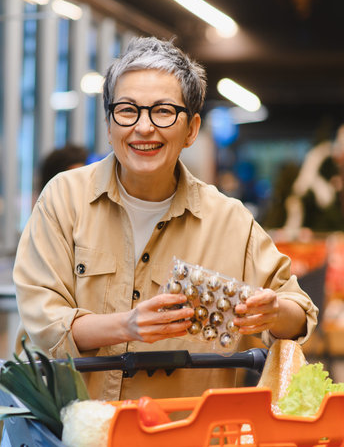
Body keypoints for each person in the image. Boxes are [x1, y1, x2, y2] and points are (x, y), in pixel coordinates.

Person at [13, 37, 318, 402]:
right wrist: (126, 326)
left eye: (163, 111)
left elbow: (299, 314)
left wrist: (271, 313)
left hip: (184, 431)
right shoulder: (64, 199)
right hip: (73, 433)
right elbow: (42, 321)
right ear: (109, 125)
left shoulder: (230, 220)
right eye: (127, 110)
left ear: (191, 129)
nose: (143, 127)